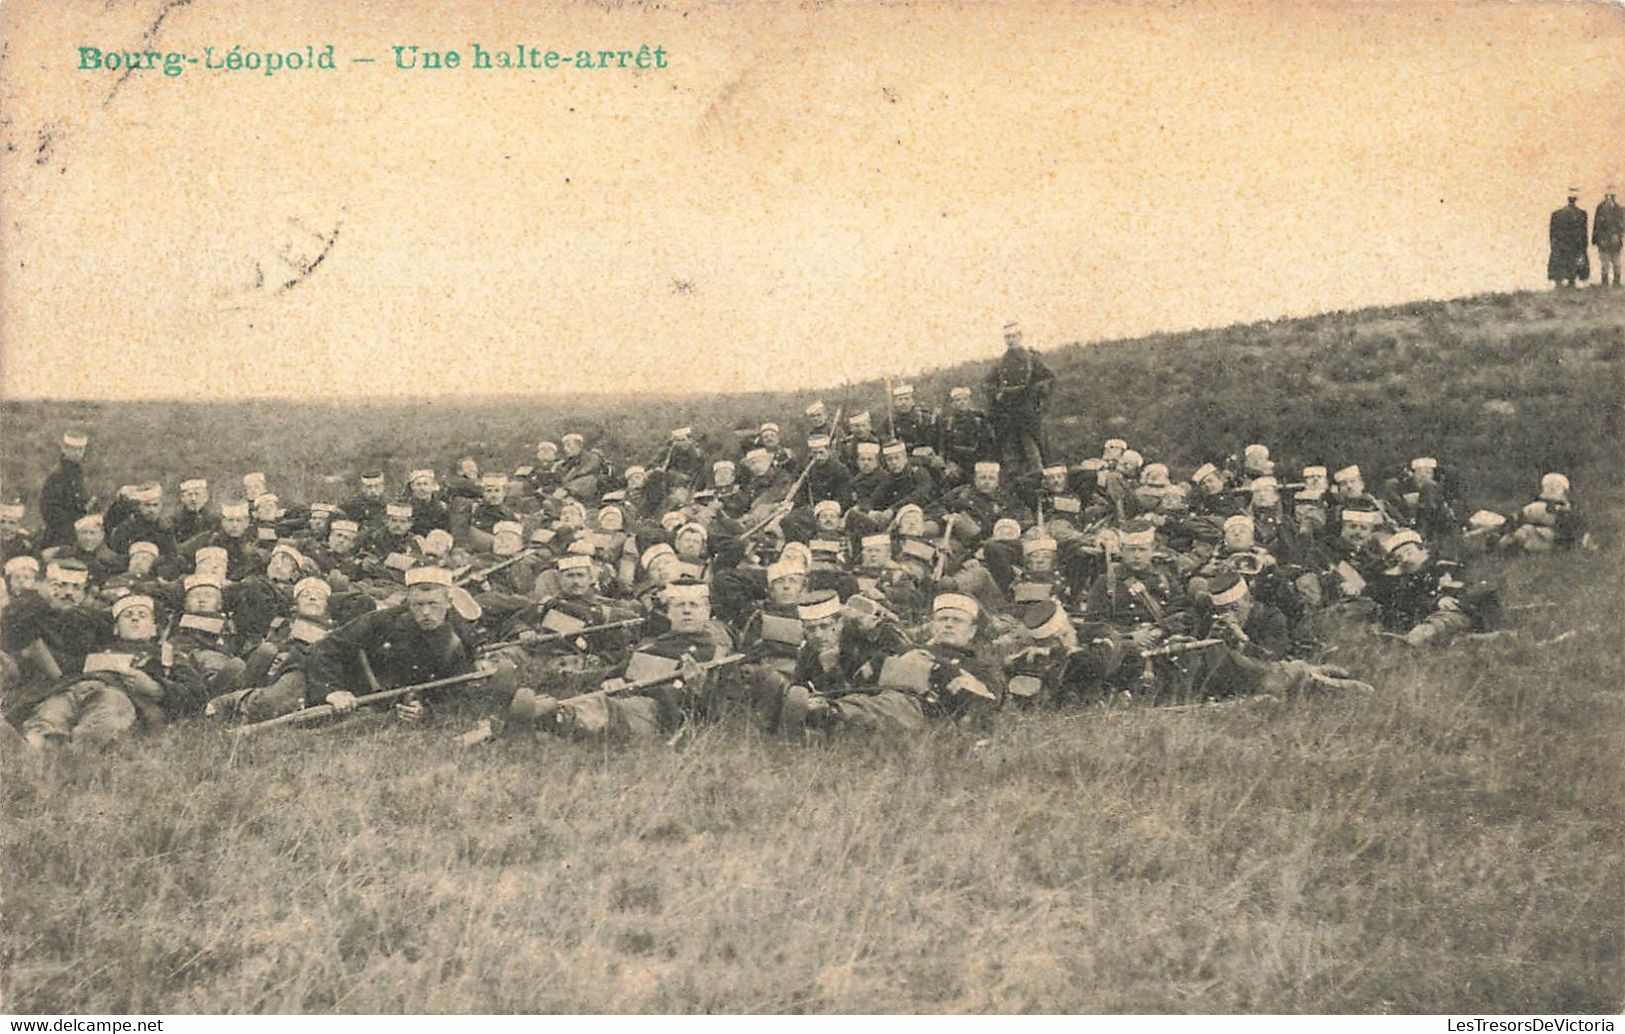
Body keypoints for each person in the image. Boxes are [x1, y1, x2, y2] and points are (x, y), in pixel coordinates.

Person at [983, 321, 1056, 473]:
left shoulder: (1031, 359)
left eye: (1013, 336)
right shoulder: (1001, 363)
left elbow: (1049, 378)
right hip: (1007, 417)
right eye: (1007, 337)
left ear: (1020, 337)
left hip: (1027, 416)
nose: (1010, 340)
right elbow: (987, 384)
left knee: (1033, 454)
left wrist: (1035, 392)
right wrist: (997, 394)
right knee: (1010, 456)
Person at [39, 432, 91, 550]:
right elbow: (49, 508)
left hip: (78, 530)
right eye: (72, 449)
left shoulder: (78, 472)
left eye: (80, 449)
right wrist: (71, 527)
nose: (77, 453)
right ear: (64, 449)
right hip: (61, 534)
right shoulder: (58, 475)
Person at [1549, 187, 1589, 287]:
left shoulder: (1557, 214)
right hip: (1575, 244)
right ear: (1576, 200)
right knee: (1573, 266)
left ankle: (1561, 284)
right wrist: (1584, 247)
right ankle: (1571, 283)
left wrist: (1554, 244)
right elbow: (1584, 233)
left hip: (1561, 244)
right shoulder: (1581, 214)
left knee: (1561, 265)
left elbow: (1552, 233)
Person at [1594, 184, 1622, 288]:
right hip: (1604, 241)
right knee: (1604, 263)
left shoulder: (1619, 208)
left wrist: (1618, 235)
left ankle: (1616, 282)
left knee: (1616, 263)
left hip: (1615, 241)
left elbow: (1622, 225)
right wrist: (1597, 239)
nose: (1610, 199)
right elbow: (1596, 225)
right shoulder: (1600, 208)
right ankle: (1605, 282)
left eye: (1612, 196)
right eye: (1609, 196)